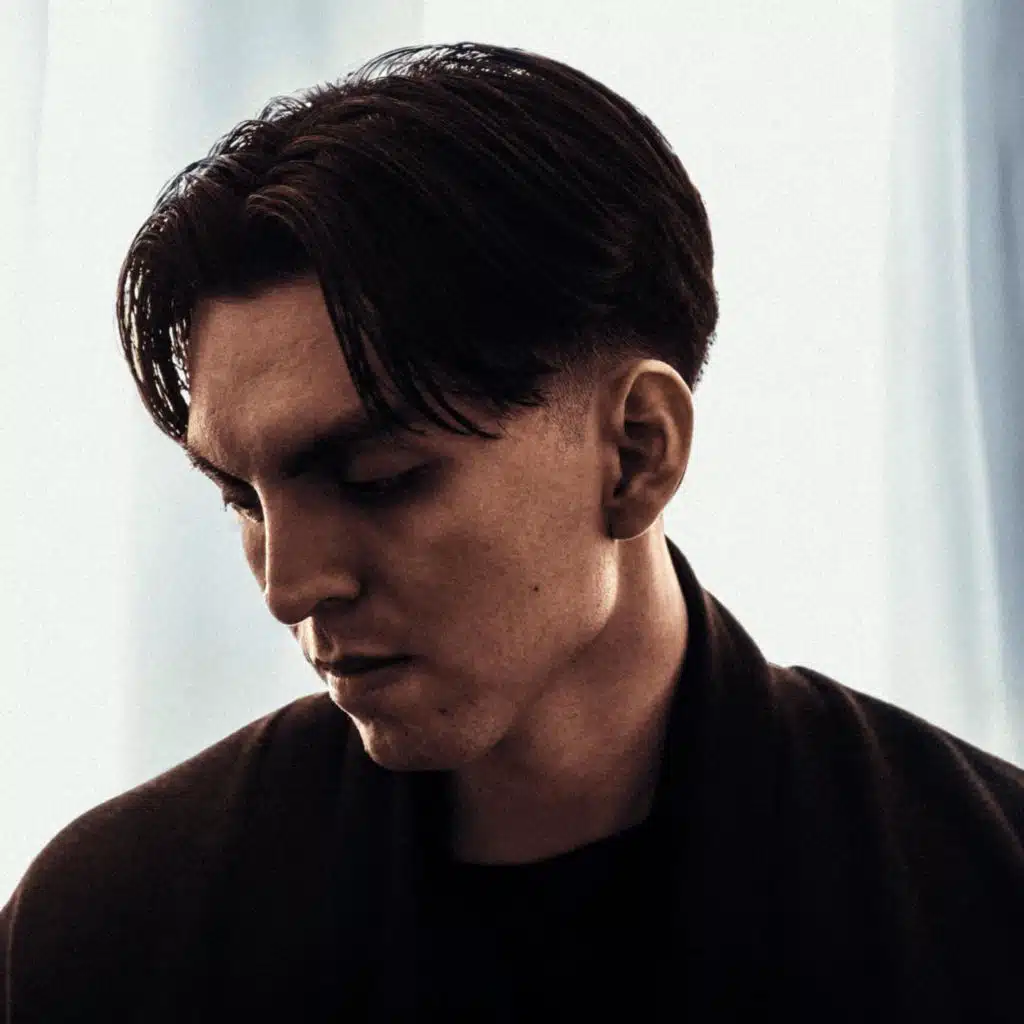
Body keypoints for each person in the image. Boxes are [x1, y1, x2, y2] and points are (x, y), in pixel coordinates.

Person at [2, 41, 1022, 1023]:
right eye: (243, 497)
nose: (288, 586)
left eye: (378, 480)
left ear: (636, 452)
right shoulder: (113, 928)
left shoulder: (982, 901)